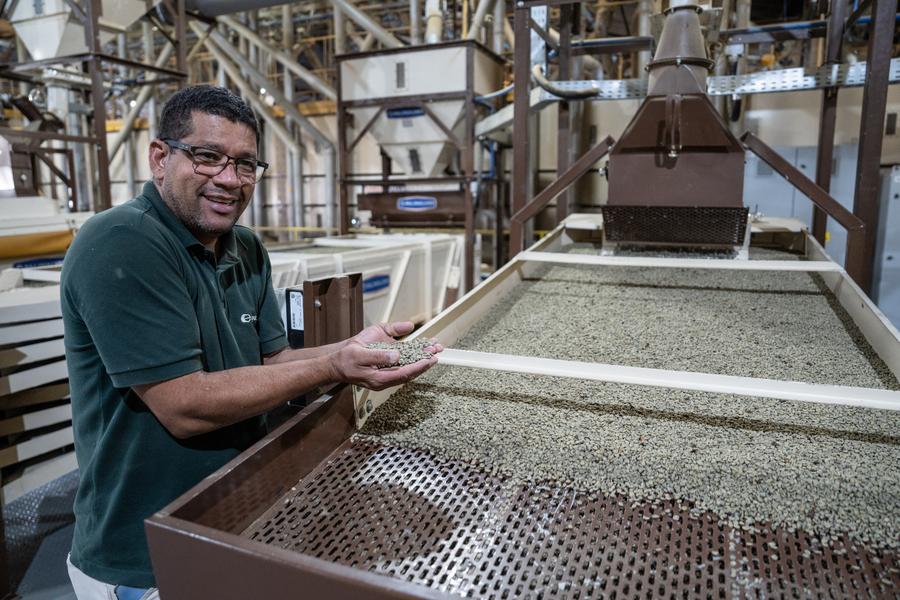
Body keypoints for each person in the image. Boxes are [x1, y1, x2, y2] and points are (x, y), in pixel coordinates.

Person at [61, 84, 441, 600]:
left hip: (233, 516)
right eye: (207, 156)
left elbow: (274, 359)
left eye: (245, 164)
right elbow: (184, 405)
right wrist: (334, 365)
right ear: (160, 158)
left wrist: (354, 346)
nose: (229, 179)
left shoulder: (245, 247)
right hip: (144, 555)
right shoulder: (123, 242)